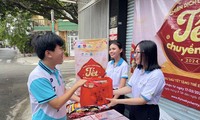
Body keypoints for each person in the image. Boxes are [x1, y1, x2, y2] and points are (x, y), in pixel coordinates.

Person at [27, 32, 86, 120]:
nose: (63, 52)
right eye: (60, 48)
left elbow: (63, 90)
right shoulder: (37, 77)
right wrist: (76, 85)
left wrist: (79, 100)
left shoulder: (55, 70)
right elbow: (57, 104)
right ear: (48, 54)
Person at [107, 40, 165, 120]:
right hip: (134, 108)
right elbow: (129, 88)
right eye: (135, 52)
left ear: (148, 54)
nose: (134, 56)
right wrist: (110, 92)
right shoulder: (138, 69)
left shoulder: (156, 75)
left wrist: (117, 101)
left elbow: (143, 100)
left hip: (147, 111)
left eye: (138, 53)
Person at [105, 41, 129, 115]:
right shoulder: (109, 63)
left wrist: (114, 100)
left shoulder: (124, 65)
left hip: (118, 96)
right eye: (110, 49)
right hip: (108, 94)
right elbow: (105, 79)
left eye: (113, 49)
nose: (111, 51)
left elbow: (121, 87)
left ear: (120, 50)